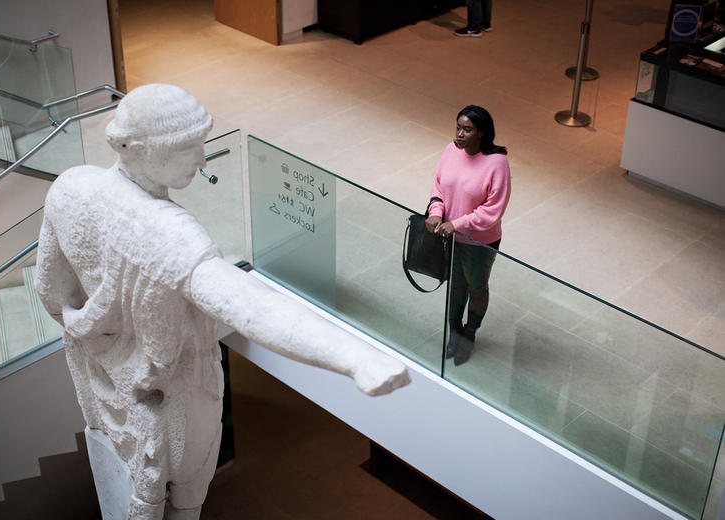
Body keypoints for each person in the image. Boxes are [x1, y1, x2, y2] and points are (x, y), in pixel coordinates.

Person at [35, 84, 410, 520]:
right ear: (138, 149)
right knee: (184, 501)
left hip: (104, 380)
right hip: (176, 395)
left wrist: (100, 335)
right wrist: (352, 355)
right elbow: (248, 305)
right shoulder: (168, 236)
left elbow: (52, 294)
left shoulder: (70, 188)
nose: (202, 159)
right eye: (188, 148)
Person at [425, 105, 510, 365]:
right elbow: (438, 185)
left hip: (479, 241)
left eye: (468, 129)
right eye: (458, 127)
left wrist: (457, 223)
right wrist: (436, 211)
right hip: (450, 235)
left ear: (482, 133)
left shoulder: (497, 163)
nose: (460, 134)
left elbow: (492, 211)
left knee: (476, 286)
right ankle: (455, 333)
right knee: (455, 286)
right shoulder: (451, 151)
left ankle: (469, 333)